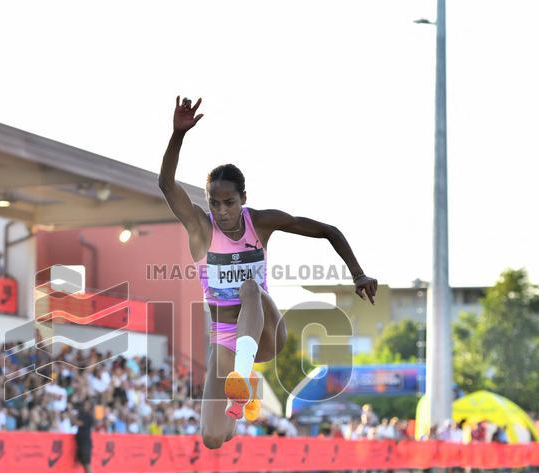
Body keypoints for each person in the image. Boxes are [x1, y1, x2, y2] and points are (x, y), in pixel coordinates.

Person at [159, 97, 377, 449]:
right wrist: (177, 136)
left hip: (266, 330)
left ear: (243, 198)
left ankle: (243, 379)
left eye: (229, 203)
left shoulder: (259, 223)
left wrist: (358, 274)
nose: (222, 211)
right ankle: (238, 400)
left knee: (249, 287)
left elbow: (328, 230)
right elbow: (167, 186)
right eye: (215, 203)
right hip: (225, 339)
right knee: (213, 438)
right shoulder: (201, 228)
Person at [72, 398, 95, 473]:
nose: (84, 405)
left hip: (86, 442)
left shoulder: (89, 416)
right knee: (85, 463)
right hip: (81, 442)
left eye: (87, 404)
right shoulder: (81, 414)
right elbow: (73, 424)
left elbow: (78, 423)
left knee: (87, 464)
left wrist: (71, 415)